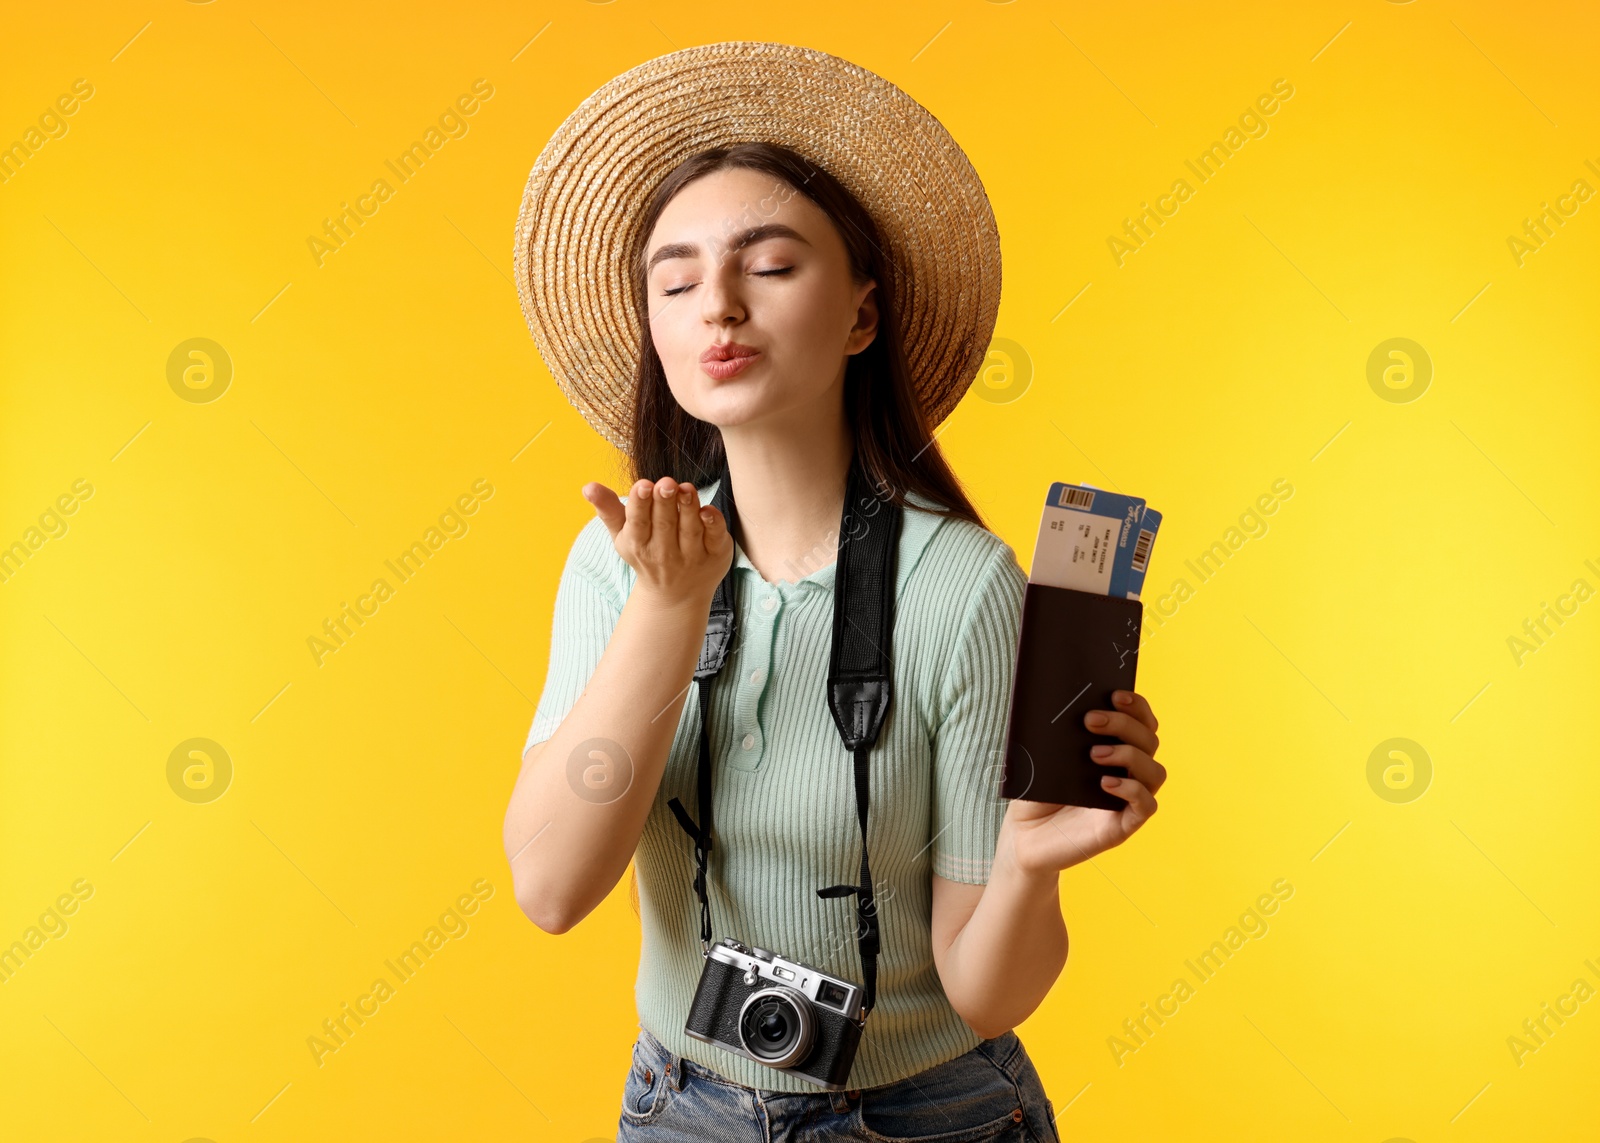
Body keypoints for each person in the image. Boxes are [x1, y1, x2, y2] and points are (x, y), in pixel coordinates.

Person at [502, 42, 1167, 1141]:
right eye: (673, 280)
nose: (715, 303)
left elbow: (985, 990)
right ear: (654, 329)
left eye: (768, 267)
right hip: (676, 1108)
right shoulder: (616, 560)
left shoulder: (959, 585)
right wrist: (669, 609)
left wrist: (1032, 867)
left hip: (931, 1114)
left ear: (862, 316)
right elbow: (551, 890)